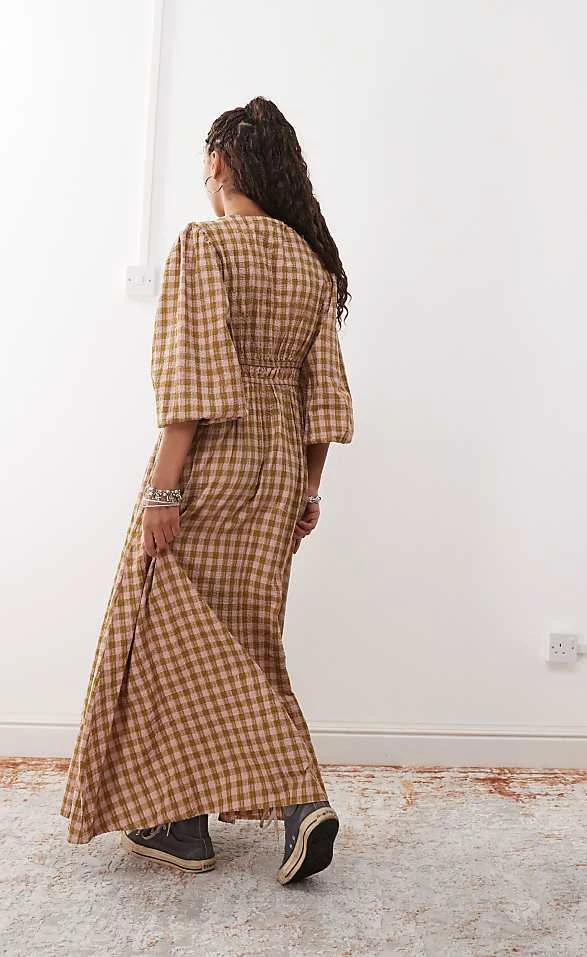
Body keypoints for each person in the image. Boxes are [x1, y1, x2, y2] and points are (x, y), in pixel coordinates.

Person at [59, 97, 355, 884]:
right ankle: (180, 821)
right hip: (280, 468)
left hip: (213, 463)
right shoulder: (310, 264)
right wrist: (309, 488)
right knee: (240, 640)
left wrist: (162, 493)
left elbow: (191, 382)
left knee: (162, 632)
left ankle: (299, 795)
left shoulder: (207, 244)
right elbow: (324, 391)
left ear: (220, 163)